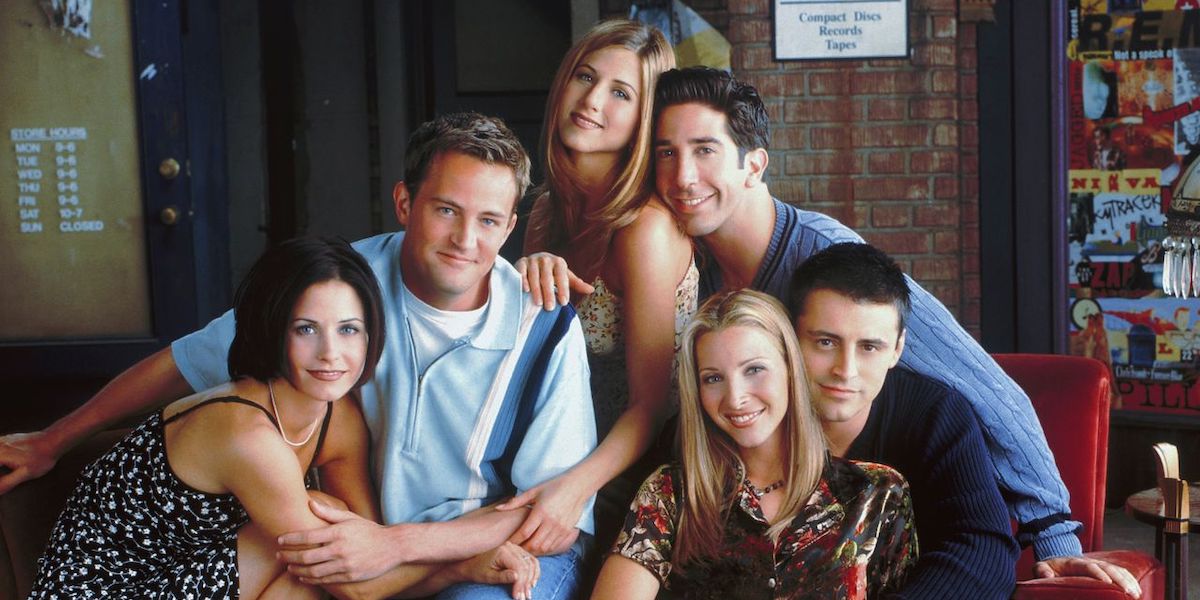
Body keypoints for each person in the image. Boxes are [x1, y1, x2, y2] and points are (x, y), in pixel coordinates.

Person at [2, 113, 597, 600]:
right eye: (446, 209)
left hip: (482, 541)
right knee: (308, 540)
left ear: (510, 227)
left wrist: (400, 548)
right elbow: (182, 362)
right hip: (118, 584)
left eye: (488, 220)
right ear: (404, 203)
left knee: (314, 546)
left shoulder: (541, 325)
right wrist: (54, 439)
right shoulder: (340, 286)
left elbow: (545, 515)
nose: (466, 240)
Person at [29, 237, 391, 597]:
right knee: (313, 538)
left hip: (184, 575)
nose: (330, 353)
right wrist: (427, 551)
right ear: (272, 330)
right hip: (103, 590)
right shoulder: (245, 434)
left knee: (321, 541)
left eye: (348, 329)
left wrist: (393, 551)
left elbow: (368, 546)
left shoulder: (338, 416)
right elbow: (357, 585)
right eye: (306, 329)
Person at [505, 19, 696, 549]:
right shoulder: (546, 212)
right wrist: (514, 285)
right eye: (585, 77)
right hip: (553, 452)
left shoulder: (645, 228)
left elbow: (650, 408)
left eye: (620, 93)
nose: (592, 100)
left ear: (644, 117)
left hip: (635, 474)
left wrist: (571, 491)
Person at [592, 290, 917, 598]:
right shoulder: (672, 492)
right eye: (713, 378)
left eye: (754, 369)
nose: (735, 398)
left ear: (790, 368)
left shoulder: (876, 493)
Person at [787, 242, 1019, 597]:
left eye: (869, 347)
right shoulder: (749, 411)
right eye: (825, 342)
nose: (845, 370)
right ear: (790, 337)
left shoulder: (934, 415)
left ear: (897, 349)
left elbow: (985, 550)